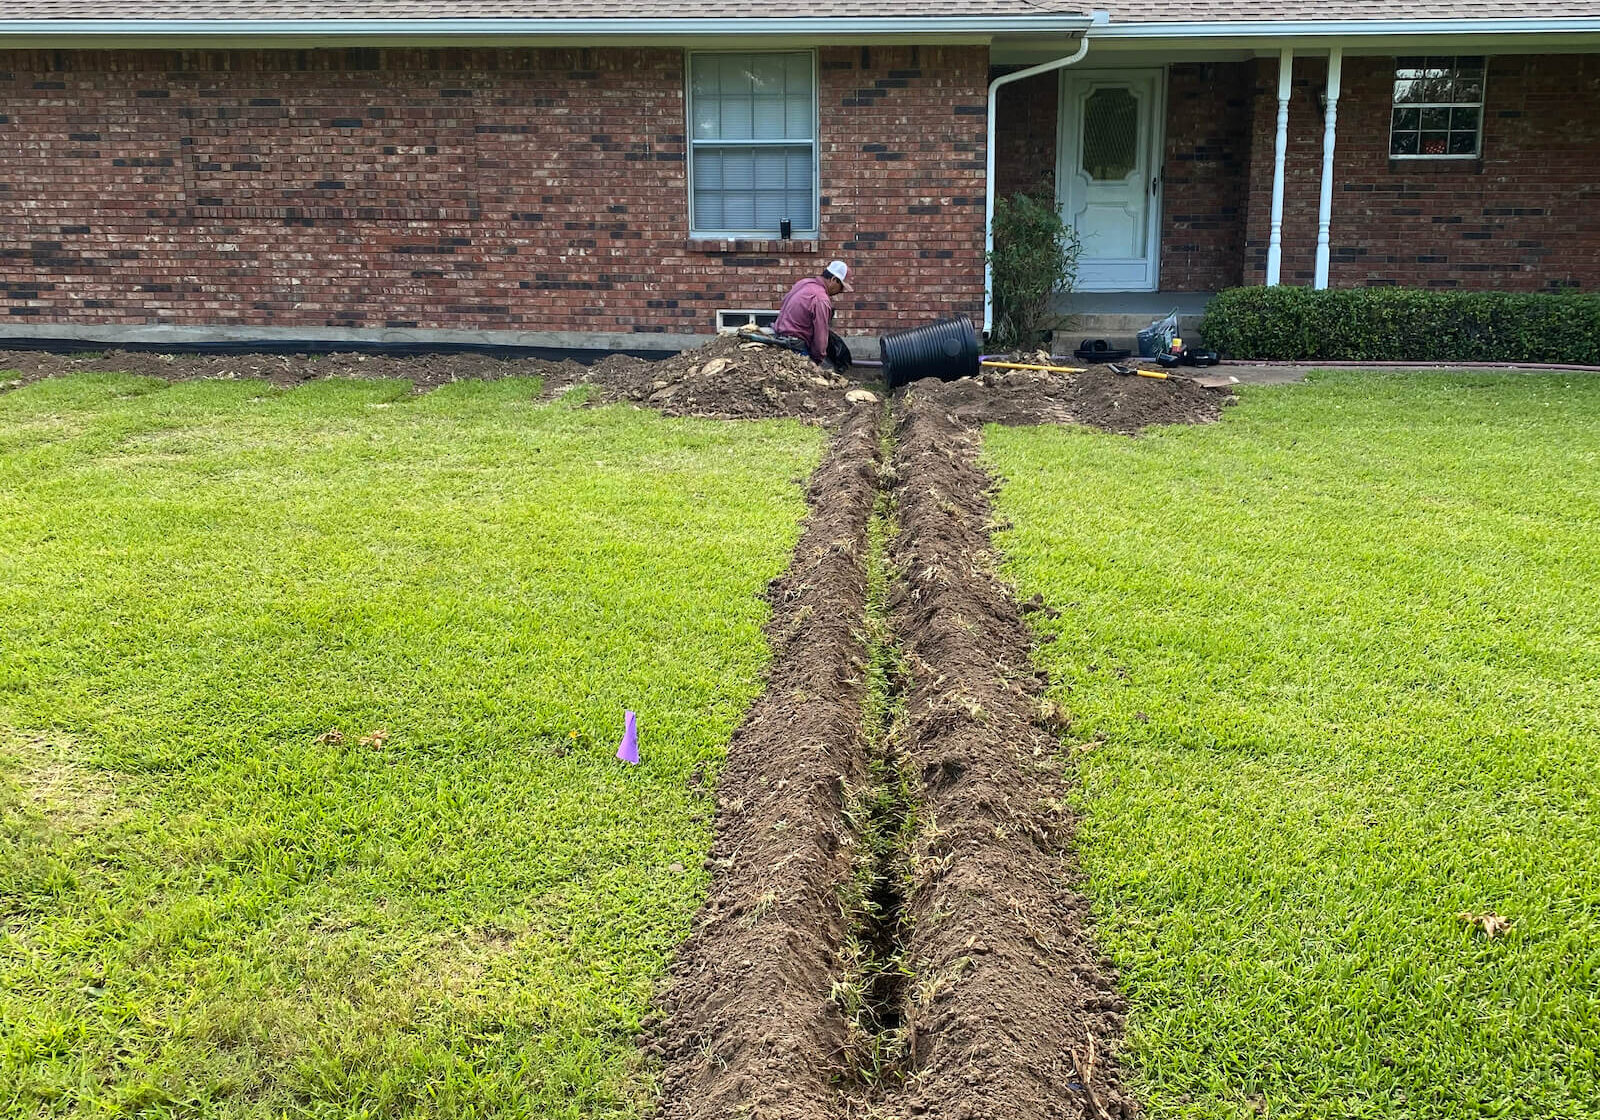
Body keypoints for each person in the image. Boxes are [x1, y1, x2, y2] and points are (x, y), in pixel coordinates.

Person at [774, 260, 854, 368]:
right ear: (834, 280)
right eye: (841, 287)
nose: (841, 291)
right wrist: (817, 361)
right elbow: (820, 337)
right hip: (795, 344)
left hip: (778, 335)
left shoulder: (803, 283)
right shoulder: (821, 299)